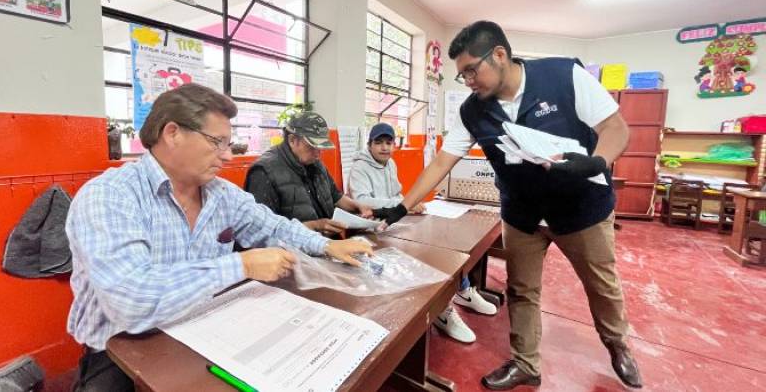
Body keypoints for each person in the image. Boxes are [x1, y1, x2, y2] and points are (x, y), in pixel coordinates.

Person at [373, 21, 642, 390]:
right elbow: (441, 162)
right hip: (522, 214)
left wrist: (597, 162)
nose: (468, 80)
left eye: (472, 69)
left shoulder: (564, 75)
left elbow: (616, 128)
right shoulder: (473, 110)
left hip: (581, 209)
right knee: (521, 290)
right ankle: (525, 363)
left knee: (601, 285)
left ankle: (617, 343)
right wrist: (401, 208)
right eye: (461, 75)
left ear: (500, 54)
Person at [66, 85, 372, 391]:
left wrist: (327, 245)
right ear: (173, 133)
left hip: (202, 329)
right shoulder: (110, 196)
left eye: (229, 143)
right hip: (122, 351)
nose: (227, 155)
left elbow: (272, 226)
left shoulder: (221, 194)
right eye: (217, 142)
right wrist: (240, 265)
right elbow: (132, 301)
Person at [349, 122, 496, 343]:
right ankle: (442, 311)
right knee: (425, 255)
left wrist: (408, 205)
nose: (384, 148)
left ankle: (463, 291)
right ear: (369, 145)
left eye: (388, 143)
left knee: (442, 244)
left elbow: (398, 194)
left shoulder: (390, 164)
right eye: (378, 143)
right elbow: (363, 202)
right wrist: (404, 204)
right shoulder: (360, 168)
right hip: (372, 230)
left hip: (395, 223)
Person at [245, 111, 372, 238]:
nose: (318, 154)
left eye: (320, 148)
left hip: (326, 244)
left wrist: (357, 206)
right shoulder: (264, 172)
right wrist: (316, 226)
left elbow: (335, 196)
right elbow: (263, 230)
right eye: (312, 147)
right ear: (292, 140)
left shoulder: (314, 162)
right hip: (294, 252)